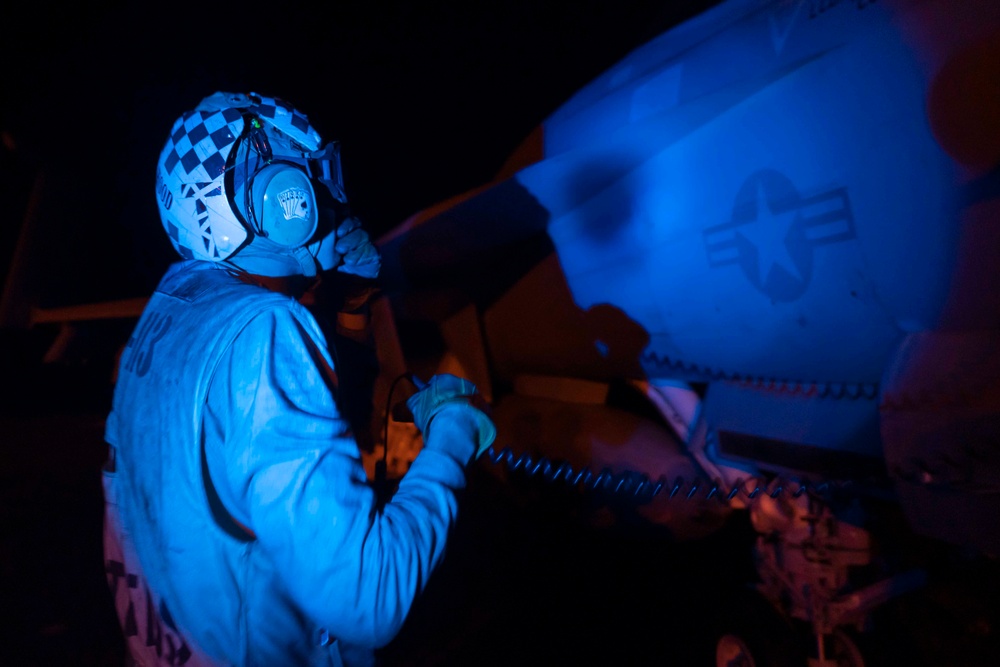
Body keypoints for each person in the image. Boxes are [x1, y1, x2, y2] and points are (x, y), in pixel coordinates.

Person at [101, 91, 496, 667]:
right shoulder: (264, 330)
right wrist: (456, 431)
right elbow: (368, 599)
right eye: (313, 179)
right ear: (267, 199)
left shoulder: (177, 305)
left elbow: (315, 420)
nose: (331, 200)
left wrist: (355, 296)